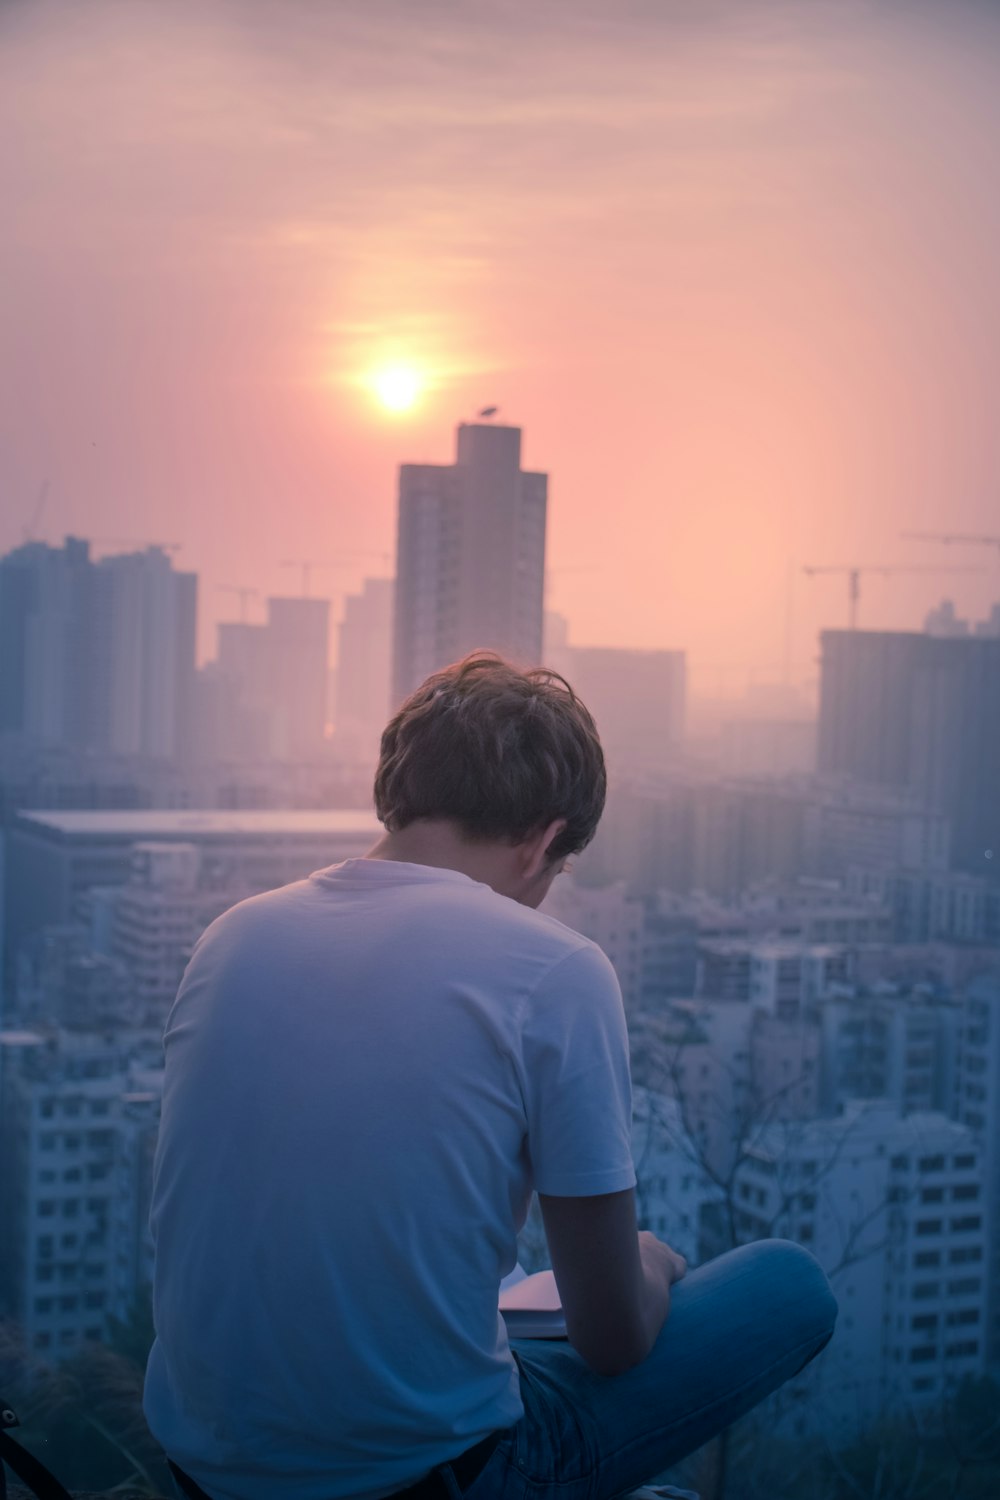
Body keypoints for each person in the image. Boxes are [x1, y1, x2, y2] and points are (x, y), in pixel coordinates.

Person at [144, 654, 837, 1500]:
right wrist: (649, 1262)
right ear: (545, 838)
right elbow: (612, 1338)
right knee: (787, 1284)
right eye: (557, 872)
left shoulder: (231, 937)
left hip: (204, 1473)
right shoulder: (555, 970)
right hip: (423, 1479)